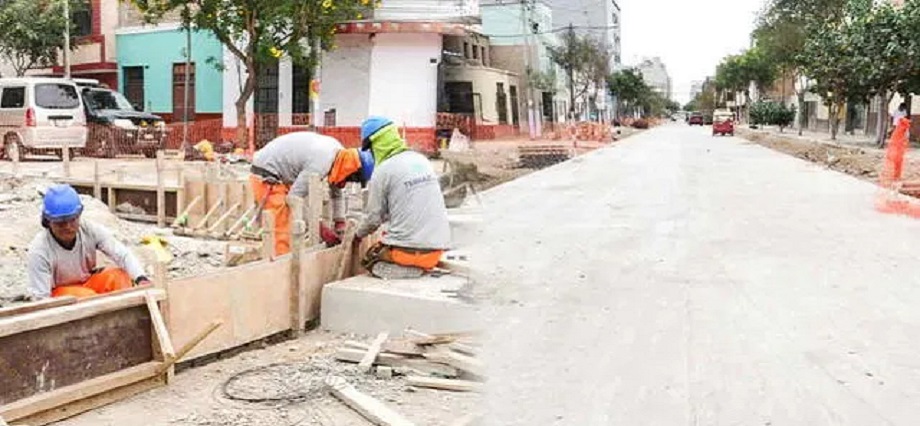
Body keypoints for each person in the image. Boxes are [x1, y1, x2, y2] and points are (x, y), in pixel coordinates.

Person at [355, 116, 452, 279]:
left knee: (371, 260)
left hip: (408, 254)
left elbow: (373, 219)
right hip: (436, 252)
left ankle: (410, 271)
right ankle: (421, 266)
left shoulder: (383, 171)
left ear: (376, 145)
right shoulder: (422, 160)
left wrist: (356, 236)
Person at [250, 131, 375, 256]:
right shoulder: (319, 165)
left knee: (291, 223)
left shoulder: (340, 156)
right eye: (351, 179)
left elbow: (337, 191)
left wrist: (339, 221)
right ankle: (279, 268)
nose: (347, 183)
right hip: (267, 172)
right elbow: (294, 200)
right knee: (282, 228)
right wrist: (319, 228)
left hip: (283, 173)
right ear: (351, 170)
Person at [28, 184, 150, 299]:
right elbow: (41, 298)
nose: (68, 227)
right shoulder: (40, 249)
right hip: (59, 294)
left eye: (73, 220)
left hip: (88, 283)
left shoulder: (89, 229)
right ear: (48, 221)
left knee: (120, 277)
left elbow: (121, 254)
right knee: (87, 297)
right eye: (61, 223)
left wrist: (141, 278)